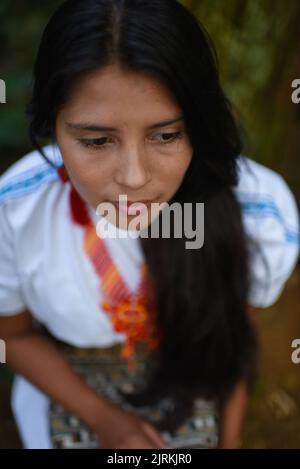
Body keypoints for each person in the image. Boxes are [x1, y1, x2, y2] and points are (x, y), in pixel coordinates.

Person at [0, 0, 299, 450]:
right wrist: (103, 418)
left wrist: (229, 441)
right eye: (97, 140)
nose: (134, 177)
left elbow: (235, 343)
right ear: (51, 128)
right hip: (66, 390)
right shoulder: (15, 211)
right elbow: (14, 335)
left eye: (166, 135)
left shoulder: (260, 214)